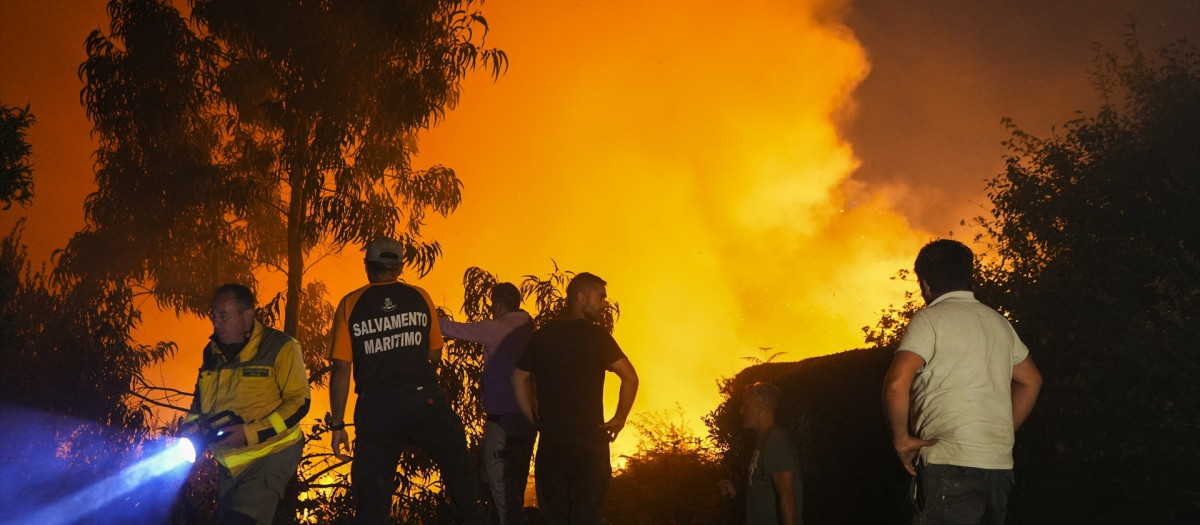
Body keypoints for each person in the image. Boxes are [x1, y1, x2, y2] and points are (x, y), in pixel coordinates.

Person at [882, 239, 1043, 524]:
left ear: (925, 284)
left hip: (949, 465)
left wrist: (901, 439)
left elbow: (896, 383)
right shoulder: (999, 323)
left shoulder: (930, 320)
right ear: (969, 277)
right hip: (998, 467)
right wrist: (999, 432)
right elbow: (1031, 380)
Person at [326, 237, 484, 524]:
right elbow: (434, 353)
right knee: (457, 467)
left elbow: (341, 368)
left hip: (376, 408)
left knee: (372, 498)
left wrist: (337, 424)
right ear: (399, 268)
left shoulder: (351, 304)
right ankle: (473, 517)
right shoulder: (419, 297)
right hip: (423, 399)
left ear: (367, 266)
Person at [512, 272, 638, 524]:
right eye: (600, 297)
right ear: (581, 298)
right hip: (590, 445)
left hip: (553, 444)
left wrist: (532, 419)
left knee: (554, 516)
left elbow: (518, 379)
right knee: (587, 515)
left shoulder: (542, 336)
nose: (604, 304)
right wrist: (620, 418)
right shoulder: (598, 336)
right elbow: (630, 377)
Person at [184, 283, 311, 525]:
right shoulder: (212, 352)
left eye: (224, 316)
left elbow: (299, 402)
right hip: (230, 462)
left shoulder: (281, 347)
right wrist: (190, 430)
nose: (216, 323)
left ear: (248, 316)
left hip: (271, 454)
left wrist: (250, 433)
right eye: (214, 315)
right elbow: (199, 403)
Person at [440, 282, 537, 525]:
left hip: (502, 421)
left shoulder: (497, 328)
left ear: (499, 306)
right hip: (528, 421)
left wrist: (421, 315)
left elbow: (450, 328)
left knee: (501, 489)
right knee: (515, 483)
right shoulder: (531, 329)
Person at [718, 382, 803, 525]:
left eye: (746, 406)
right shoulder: (763, 440)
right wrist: (736, 493)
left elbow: (787, 496)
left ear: (760, 408)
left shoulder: (775, 440)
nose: (741, 411)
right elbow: (764, 494)